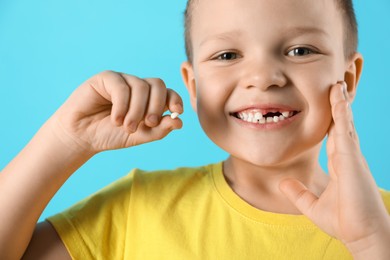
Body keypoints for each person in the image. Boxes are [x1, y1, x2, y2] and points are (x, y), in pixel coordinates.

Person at [1, 0, 389, 259]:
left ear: (349, 79)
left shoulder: (382, 225)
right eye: (227, 55)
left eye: (301, 50)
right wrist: (65, 140)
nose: (262, 77)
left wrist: (372, 242)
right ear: (193, 84)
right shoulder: (139, 206)